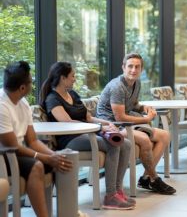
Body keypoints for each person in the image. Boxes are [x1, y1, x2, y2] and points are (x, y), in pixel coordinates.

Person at [39, 62, 136, 210]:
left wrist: (107, 123)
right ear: (62, 78)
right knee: (113, 144)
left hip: (88, 133)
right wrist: (98, 128)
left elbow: (89, 118)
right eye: (72, 76)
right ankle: (110, 196)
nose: (74, 79)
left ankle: (117, 191)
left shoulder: (72, 94)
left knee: (126, 144)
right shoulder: (53, 98)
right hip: (70, 140)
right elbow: (67, 122)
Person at [96, 53, 176, 195]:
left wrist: (142, 108)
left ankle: (146, 178)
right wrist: (145, 119)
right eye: (130, 66)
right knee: (145, 140)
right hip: (112, 126)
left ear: (141, 69)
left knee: (165, 135)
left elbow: (132, 104)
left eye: (137, 67)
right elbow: (119, 116)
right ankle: (155, 179)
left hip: (126, 123)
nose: (133, 70)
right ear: (123, 67)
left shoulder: (136, 83)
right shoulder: (117, 87)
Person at [0, 61, 72, 217]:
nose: (33, 84)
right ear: (22, 88)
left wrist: (53, 155)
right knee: (37, 165)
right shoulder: (2, 105)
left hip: (17, 152)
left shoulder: (23, 103)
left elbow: (32, 140)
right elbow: (12, 146)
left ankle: (67, 212)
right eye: (31, 82)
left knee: (60, 160)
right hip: (5, 155)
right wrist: (45, 158)